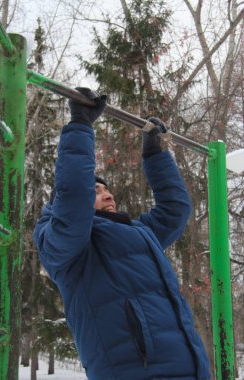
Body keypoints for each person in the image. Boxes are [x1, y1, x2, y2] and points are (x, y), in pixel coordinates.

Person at [33, 88, 211, 380]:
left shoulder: (139, 233)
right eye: (96, 190)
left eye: (106, 188)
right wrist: (79, 125)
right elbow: (73, 201)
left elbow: (175, 210)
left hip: (192, 369)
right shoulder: (67, 246)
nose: (107, 194)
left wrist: (156, 155)